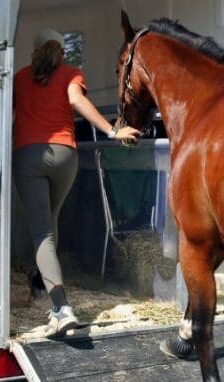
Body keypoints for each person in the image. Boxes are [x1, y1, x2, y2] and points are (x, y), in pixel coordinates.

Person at [13, 28, 141, 337]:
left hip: (30, 154)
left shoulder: (19, 78)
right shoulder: (70, 73)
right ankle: (40, 280)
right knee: (51, 222)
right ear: (61, 50)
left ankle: (60, 308)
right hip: (65, 156)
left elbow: (10, 116)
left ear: (35, 51)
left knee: (41, 232)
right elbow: (76, 101)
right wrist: (112, 131)